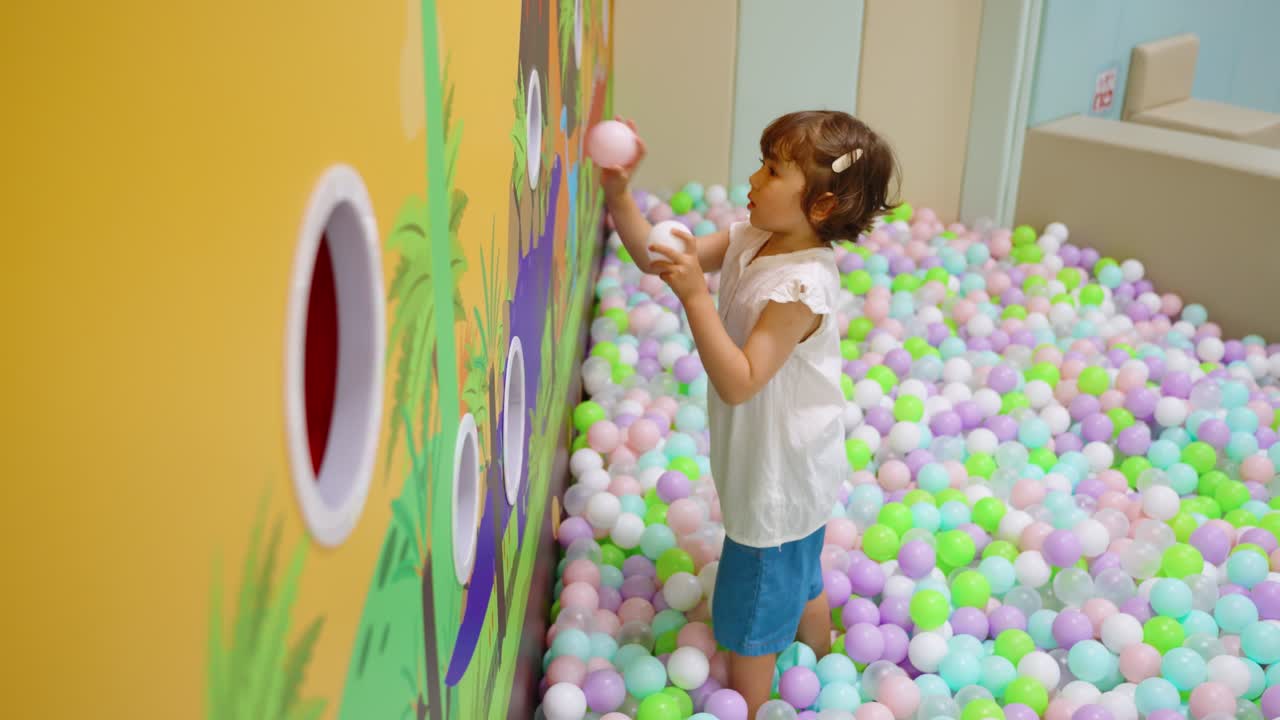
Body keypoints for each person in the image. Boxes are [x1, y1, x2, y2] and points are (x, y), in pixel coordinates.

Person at [601, 110, 899, 715]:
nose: (754, 179)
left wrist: (695, 295)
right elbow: (657, 256)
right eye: (762, 163)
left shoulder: (800, 289)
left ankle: (752, 702)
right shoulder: (750, 237)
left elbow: (739, 381)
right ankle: (824, 661)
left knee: (749, 618)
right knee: (800, 575)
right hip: (796, 465)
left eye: (772, 171)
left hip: (778, 481)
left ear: (820, 206)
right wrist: (619, 194)